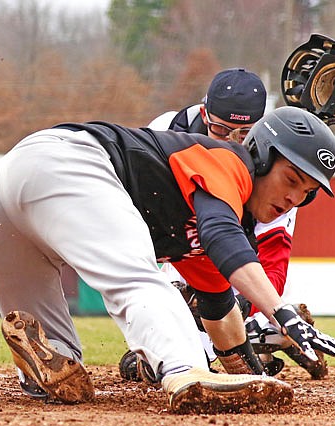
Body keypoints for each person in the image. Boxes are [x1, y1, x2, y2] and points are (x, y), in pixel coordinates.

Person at [0, 105, 335, 414]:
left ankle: (47, 369)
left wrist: (251, 376)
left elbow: (218, 307)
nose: (295, 199)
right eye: (291, 179)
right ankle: (186, 373)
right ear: (263, 157)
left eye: (308, 192)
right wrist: (281, 312)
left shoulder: (205, 227)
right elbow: (222, 235)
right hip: (66, 163)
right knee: (140, 281)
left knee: (67, 374)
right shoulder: (231, 161)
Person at [131, 68, 323, 378]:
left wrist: (263, 310)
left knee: (228, 292)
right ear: (205, 112)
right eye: (221, 130)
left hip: (231, 266)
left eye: (243, 134)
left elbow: (272, 264)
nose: (231, 142)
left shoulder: (273, 172)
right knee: (176, 294)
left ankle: (253, 330)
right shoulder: (167, 128)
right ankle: (254, 334)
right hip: (174, 245)